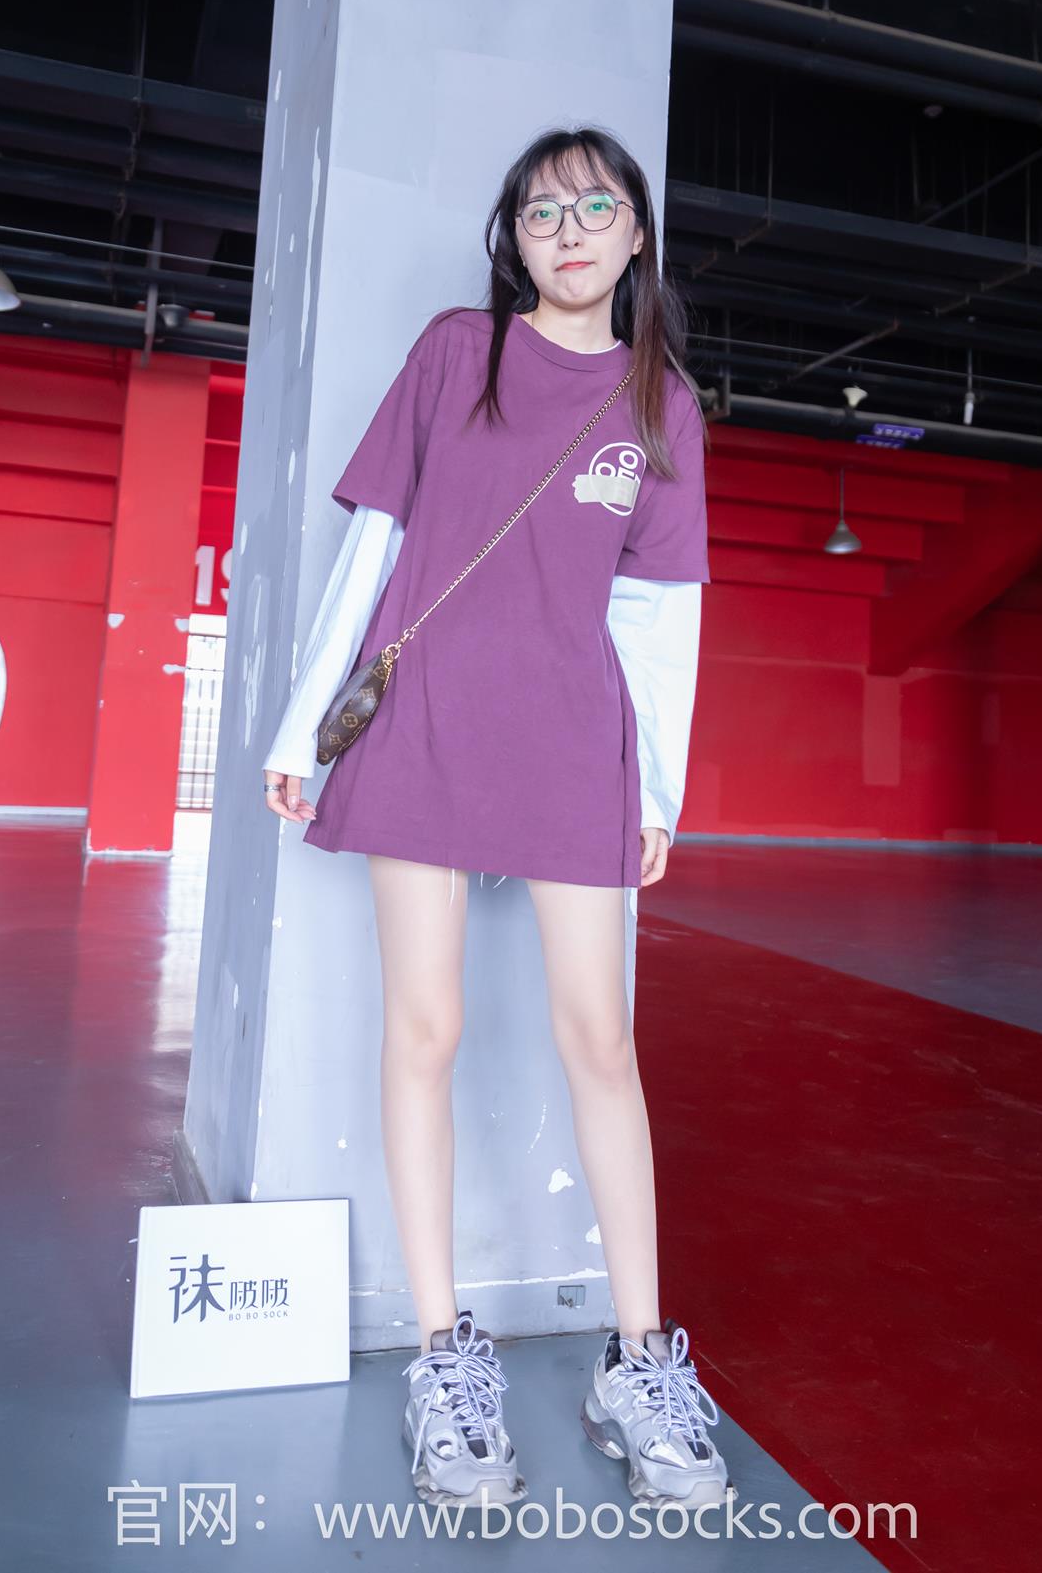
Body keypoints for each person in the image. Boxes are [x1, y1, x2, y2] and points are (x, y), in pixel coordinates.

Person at [261, 126, 729, 1513]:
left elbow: (657, 619)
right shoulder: (455, 353)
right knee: (426, 1028)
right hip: (421, 725)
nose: (568, 231)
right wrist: (301, 727)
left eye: (594, 206)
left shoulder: (662, 405)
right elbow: (376, 545)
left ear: (635, 232)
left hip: (573, 743)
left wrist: (655, 793)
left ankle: (638, 1360)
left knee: (601, 1042)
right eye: (540, 213)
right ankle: (444, 1354)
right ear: (512, 241)